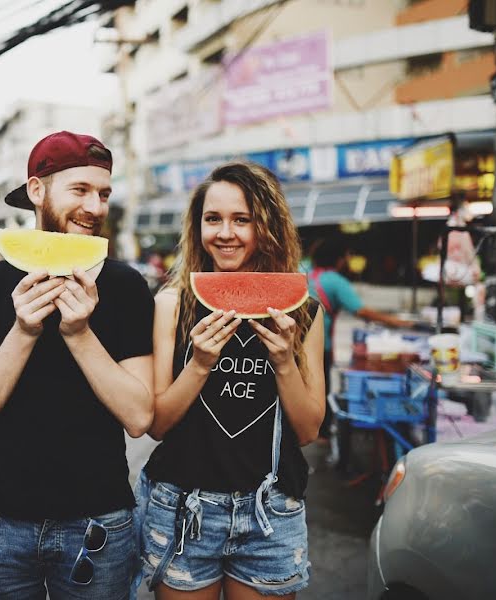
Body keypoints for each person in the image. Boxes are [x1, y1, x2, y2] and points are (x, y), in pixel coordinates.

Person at [0, 131, 155, 599]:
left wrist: (80, 334)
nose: (95, 207)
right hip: (0, 525)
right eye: (79, 190)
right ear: (37, 191)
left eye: (103, 193)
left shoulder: (126, 287)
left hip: (99, 523)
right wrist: (22, 331)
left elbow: (140, 416)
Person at [138, 162, 325, 598]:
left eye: (242, 220)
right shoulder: (172, 304)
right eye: (213, 219)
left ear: (267, 226)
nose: (226, 233)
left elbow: (309, 430)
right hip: (185, 507)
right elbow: (158, 424)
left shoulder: (303, 310)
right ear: (197, 224)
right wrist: (199, 363)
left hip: (270, 513)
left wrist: (283, 361)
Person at [306, 238, 411, 441]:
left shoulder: (307, 276)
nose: (347, 260)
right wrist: (397, 322)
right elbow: (360, 310)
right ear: (338, 259)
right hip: (320, 344)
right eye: (346, 256)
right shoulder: (335, 280)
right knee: (320, 387)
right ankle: (320, 432)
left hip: (297, 342)